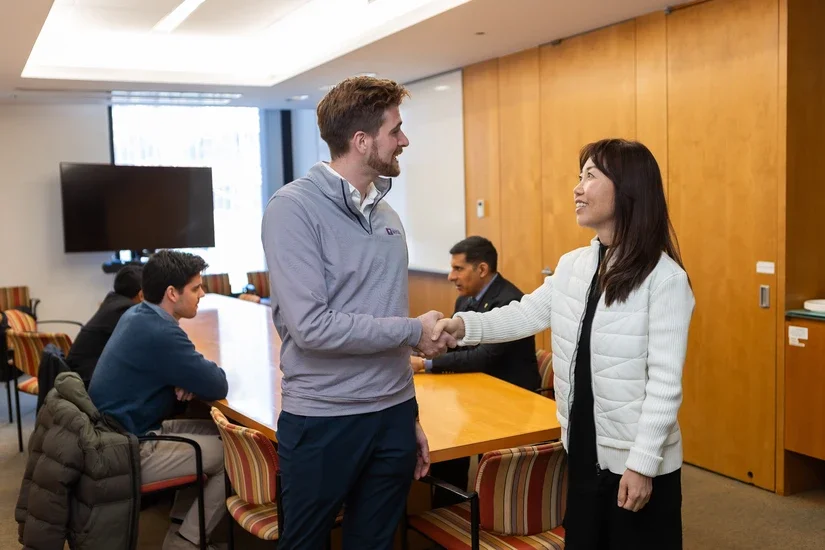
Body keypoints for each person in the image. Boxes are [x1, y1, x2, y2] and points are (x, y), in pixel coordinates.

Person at [433, 139, 695, 549]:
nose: (577, 188)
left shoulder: (664, 279)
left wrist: (642, 465)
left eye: (590, 176)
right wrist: (461, 326)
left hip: (636, 462)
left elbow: (664, 385)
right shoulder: (576, 264)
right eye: (579, 176)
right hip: (582, 450)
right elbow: (523, 314)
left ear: (627, 189)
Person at [261, 75, 455, 550]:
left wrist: (408, 414)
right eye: (396, 130)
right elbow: (311, 328)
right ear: (362, 141)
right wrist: (413, 331)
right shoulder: (292, 209)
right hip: (324, 419)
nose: (404, 140)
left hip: (390, 415)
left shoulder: (388, 218)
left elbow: (386, 313)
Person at [89, 250, 229, 550]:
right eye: (196, 288)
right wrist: (187, 377)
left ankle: (180, 531)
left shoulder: (138, 314)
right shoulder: (160, 332)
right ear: (171, 293)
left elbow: (190, 373)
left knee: (222, 436)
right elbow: (217, 384)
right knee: (234, 456)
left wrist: (182, 377)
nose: (202, 294)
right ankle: (187, 543)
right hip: (127, 450)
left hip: (116, 434)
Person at [414, 236, 541, 506]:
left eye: (458, 269)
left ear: (482, 269)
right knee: (447, 445)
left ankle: (482, 520)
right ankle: (448, 516)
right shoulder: (465, 301)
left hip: (511, 402)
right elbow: (459, 351)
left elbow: (483, 357)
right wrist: (426, 352)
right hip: (474, 395)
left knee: (464, 450)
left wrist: (427, 365)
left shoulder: (509, 300)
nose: (450, 276)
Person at [66, 265, 144, 386]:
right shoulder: (125, 310)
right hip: (86, 381)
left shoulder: (114, 302)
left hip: (78, 375)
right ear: (141, 295)